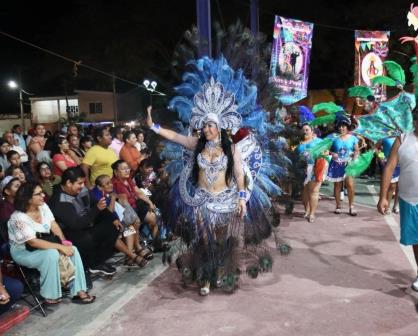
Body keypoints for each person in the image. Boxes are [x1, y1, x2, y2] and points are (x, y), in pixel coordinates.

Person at [146, 100, 247, 296]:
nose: (205, 128)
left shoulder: (231, 148)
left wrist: (242, 198)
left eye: (209, 125)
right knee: (204, 239)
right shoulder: (197, 145)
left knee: (219, 241)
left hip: (225, 200)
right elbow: (175, 136)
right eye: (204, 125)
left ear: (218, 128)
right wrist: (153, 126)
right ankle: (206, 278)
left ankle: (217, 271)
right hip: (202, 200)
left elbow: (240, 175)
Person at [8, 182, 95, 304]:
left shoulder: (43, 206)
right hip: (23, 251)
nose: (43, 195)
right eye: (38, 194)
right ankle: (50, 295)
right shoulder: (18, 218)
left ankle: (79, 291)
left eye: (42, 192)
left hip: (45, 243)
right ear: (27, 198)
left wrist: (64, 242)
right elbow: (32, 242)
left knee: (72, 249)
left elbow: (53, 225)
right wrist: (59, 247)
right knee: (52, 254)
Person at [49, 167, 143, 277]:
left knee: (114, 225)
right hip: (71, 234)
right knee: (86, 238)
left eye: (83, 182)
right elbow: (76, 224)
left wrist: (113, 219)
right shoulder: (59, 200)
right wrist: (97, 209)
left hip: (87, 224)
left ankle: (100, 261)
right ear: (69, 183)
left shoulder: (82, 190)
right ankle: (90, 264)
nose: (83, 186)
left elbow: (97, 205)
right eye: (79, 183)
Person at [377, 110, 418, 292]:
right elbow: (389, 167)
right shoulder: (402, 139)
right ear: (415, 120)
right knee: (416, 241)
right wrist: (383, 197)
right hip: (409, 200)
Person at [111, 160, 165, 252]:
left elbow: (139, 192)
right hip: (125, 212)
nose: (127, 170)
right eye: (124, 169)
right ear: (116, 172)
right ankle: (135, 250)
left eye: (127, 168)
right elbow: (116, 200)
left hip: (136, 206)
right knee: (135, 223)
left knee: (153, 217)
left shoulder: (128, 180)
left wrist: (150, 203)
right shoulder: (113, 183)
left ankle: (157, 245)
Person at [327, 116, 359, 216]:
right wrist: (332, 154)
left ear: (347, 127)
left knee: (350, 184)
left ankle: (351, 206)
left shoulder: (353, 138)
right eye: (340, 126)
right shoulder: (333, 138)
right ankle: (338, 206)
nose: (341, 128)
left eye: (344, 126)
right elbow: (326, 150)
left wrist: (355, 156)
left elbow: (357, 150)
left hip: (349, 164)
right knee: (337, 185)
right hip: (336, 164)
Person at [296, 124, 325, 223]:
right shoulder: (298, 143)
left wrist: (323, 154)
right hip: (302, 170)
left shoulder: (319, 142)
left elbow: (326, 153)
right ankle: (307, 210)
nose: (305, 132)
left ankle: (312, 213)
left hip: (314, 169)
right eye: (303, 130)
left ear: (312, 131)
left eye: (307, 130)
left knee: (314, 191)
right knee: (304, 192)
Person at [381, 137, 400, 214]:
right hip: (389, 163)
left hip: (402, 163)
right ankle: (387, 206)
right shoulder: (385, 137)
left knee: (400, 186)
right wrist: (381, 156)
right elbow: (375, 147)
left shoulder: (402, 136)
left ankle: (396, 206)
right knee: (392, 186)